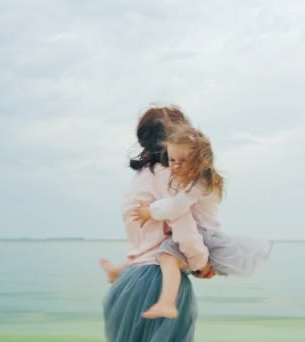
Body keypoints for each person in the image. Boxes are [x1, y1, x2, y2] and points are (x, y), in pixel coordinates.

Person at [124, 125, 273, 320]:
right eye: (172, 160)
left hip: (204, 236)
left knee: (166, 256)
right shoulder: (203, 182)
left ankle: (167, 303)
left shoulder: (197, 184)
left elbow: (176, 207)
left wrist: (149, 211)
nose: (175, 166)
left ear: (200, 162)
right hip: (206, 234)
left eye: (183, 161)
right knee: (169, 257)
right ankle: (128, 275)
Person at [101, 106, 215, 342]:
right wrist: (201, 263)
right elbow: (184, 230)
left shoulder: (141, 177)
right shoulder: (171, 177)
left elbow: (148, 241)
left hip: (128, 284)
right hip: (157, 284)